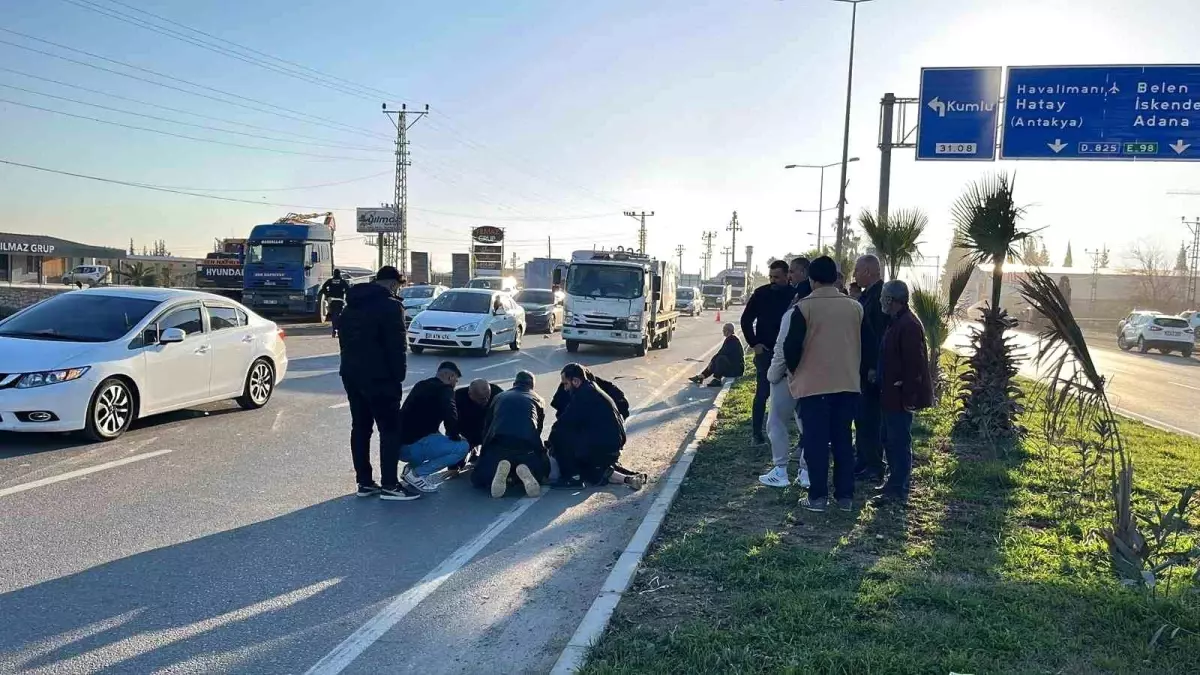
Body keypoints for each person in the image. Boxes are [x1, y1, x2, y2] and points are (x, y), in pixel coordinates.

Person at [784, 256, 863, 512]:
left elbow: (791, 347)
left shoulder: (804, 307)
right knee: (843, 440)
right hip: (848, 384)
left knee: (816, 443)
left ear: (812, 279)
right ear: (835, 278)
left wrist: (794, 372)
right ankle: (845, 496)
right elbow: (868, 343)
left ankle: (817, 497)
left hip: (814, 386)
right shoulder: (855, 307)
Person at [337, 265, 418, 500]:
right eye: (398, 286)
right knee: (390, 430)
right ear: (393, 284)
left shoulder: (350, 305)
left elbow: (343, 342)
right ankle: (390, 485)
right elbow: (397, 346)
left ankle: (364, 482)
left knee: (361, 428)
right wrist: (399, 376)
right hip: (381, 378)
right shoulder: (391, 306)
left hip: (351, 375)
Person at [874, 280, 933, 505]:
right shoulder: (896, 321)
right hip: (889, 393)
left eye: (883, 296)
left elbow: (914, 364)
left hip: (899, 397)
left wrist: (909, 396)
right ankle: (893, 482)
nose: (881, 300)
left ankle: (899, 488)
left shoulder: (908, 325)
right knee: (889, 439)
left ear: (891, 299)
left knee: (898, 442)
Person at [549, 363, 645, 490]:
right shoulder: (592, 388)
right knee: (592, 468)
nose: (565, 388)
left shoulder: (583, 395)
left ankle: (573, 478)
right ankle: (629, 478)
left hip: (603, 445)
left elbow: (563, 424)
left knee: (560, 438)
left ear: (576, 381)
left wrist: (551, 444)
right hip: (613, 443)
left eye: (566, 384)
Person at [760, 287, 811, 490]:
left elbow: (781, 348)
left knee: (776, 422)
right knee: (809, 426)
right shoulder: (826, 313)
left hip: (787, 376)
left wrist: (772, 375)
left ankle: (780, 470)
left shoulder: (793, 313)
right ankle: (806, 472)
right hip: (814, 378)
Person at [740, 259, 795, 445]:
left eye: (777, 277)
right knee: (762, 394)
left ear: (787, 276)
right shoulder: (761, 293)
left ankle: (795, 437)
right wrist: (754, 343)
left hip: (790, 354)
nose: (773, 281)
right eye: (771, 277)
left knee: (795, 394)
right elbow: (746, 320)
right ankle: (757, 434)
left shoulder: (795, 295)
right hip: (766, 352)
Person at [398, 361, 471, 493]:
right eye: (456, 380)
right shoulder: (445, 390)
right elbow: (451, 415)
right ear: (450, 377)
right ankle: (417, 474)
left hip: (400, 447)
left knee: (436, 437)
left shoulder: (421, 385)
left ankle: (410, 469)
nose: (455, 384)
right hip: (415, 447)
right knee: (463, 446)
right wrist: (456, 436)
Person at [473, 371, 549, 498]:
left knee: (478, 478)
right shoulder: (538, 400)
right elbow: (537, 431)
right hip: (525, 448)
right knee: (542, 471)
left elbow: (488, 427)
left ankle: (506, 475)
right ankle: (521, 473)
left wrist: (483, 453)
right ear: (532, 386)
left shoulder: (499, 396)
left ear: (514, 384)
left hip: (499, 446)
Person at [853, 254, 889, 483]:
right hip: (862, 368)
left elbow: (878, 336)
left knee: (871, 419)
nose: (854, 275)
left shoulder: (879, 297)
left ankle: (874, 465)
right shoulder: (867, 295)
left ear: (867, 271)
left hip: (871, 370)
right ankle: (863, 460)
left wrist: (874, 367)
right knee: (862, 418)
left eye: (857, 270)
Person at [448, 379, 504, 476]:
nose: (486, 401)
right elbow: (450, 423)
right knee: (455, 466)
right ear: (470, 394)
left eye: (488, 397)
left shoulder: (497, 393)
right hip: (467, 434)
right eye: (482, 399)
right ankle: (470, 451)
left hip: (489, 434)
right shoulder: (458, 397)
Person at [550, 365, 630, 420]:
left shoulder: (602, 388)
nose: (565, 388)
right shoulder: (566, 389)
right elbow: (561, 416)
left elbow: (622, 404)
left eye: (566, 384)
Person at [321, 269, 351, 338]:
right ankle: (338, 329)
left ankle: (334, 329)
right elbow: (348, 289)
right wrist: (344, 293)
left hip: (331, 300)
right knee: (338, 315)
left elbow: (323, 288)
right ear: (339, 274)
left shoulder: (330, 281)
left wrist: (327, 294)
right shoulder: (342, 281)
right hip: (340, 300)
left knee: (333, 315)